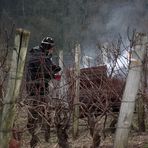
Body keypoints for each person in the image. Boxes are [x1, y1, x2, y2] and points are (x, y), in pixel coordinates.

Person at [25, 36, 61, 147]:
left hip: (41, 87)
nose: (52, 50)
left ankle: (45, 135)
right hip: (34, 88)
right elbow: (45, 69)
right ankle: (33, 134)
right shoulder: (37, 55)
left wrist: (54, 69)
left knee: (44, 110)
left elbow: (48, 66)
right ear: (47, 46)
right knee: (36, 111)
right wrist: (53, 73)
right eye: (51, 47)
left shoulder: (42, 54)